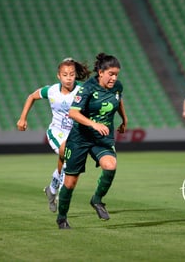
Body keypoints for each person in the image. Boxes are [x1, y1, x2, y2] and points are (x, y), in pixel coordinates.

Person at [56, 53, 128, 229]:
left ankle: (97, 200)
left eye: (116, 74)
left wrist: (124, 120)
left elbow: (118, 101)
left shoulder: (117, 86)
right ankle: (62, 218)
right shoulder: (87, 88)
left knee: (110, 165)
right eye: (110, 73)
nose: (114, 78)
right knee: (70, 182)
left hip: (101, 138)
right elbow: (73, 113)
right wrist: (94, 124)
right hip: (80, 138)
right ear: (100, 72)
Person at [17, 58, 90, 213]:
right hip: (57, 132)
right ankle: (61, 192)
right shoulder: (51, 91)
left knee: (64, 158)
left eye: (72, 74)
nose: (69, 78)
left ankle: (52, 188)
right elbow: (32, 96)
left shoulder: (84, 89)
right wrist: (23, 118)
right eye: (65, 75)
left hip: (75, 134)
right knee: (66, 153)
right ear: (59, 76)